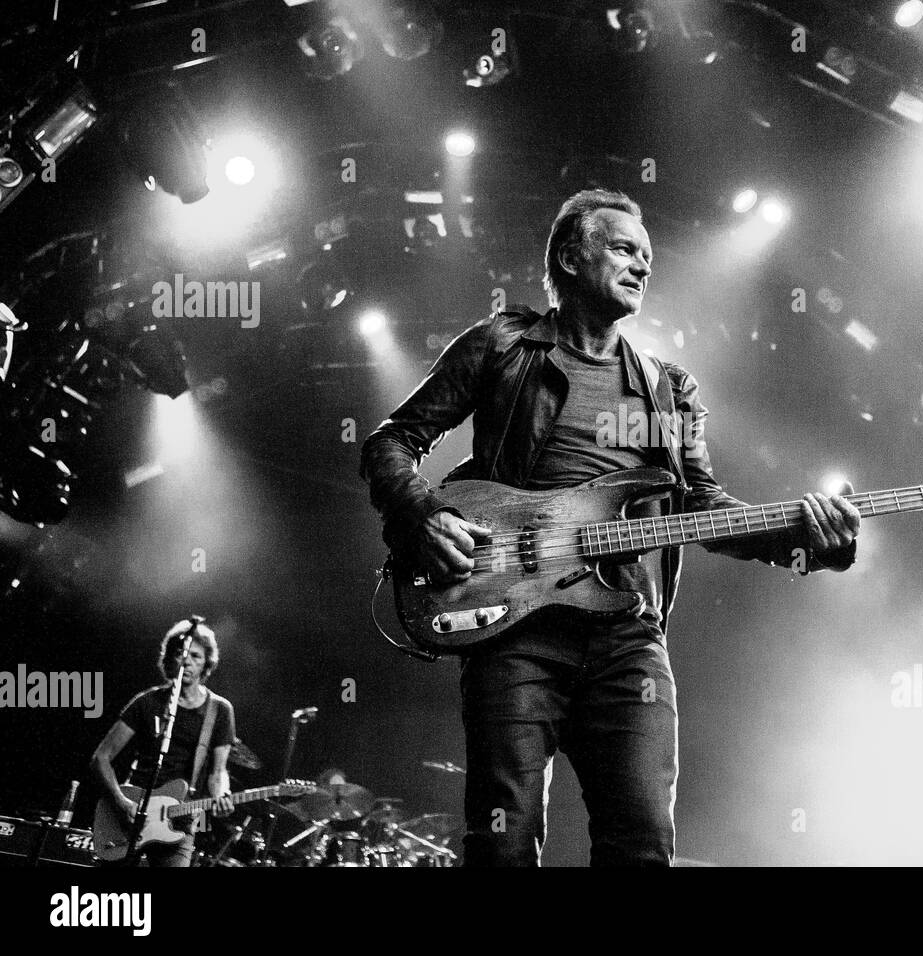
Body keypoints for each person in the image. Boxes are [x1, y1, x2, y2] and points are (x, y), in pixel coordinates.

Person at [360, 189, 860, 866]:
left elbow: (701, 509)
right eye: (624, 248)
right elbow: (391, 443)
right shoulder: (503, 346)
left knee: (642, 844)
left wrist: (800, 537)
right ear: (570, 257)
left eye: (648, 258)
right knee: (502, 846)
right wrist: (422, 514)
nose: (642, 266)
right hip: (516, 632)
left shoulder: (666, 389)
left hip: (625, 639)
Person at [91, 619, 236, 866]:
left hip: (181, 819)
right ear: (170, 659)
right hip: (131, 812)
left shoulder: (220, 710)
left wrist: (222, 794)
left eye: (196, 656)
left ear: (206, 664)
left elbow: (218, 771)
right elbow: (101, 758)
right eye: (181, 654)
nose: (187, 661)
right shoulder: (147, 702)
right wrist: (120, 800)